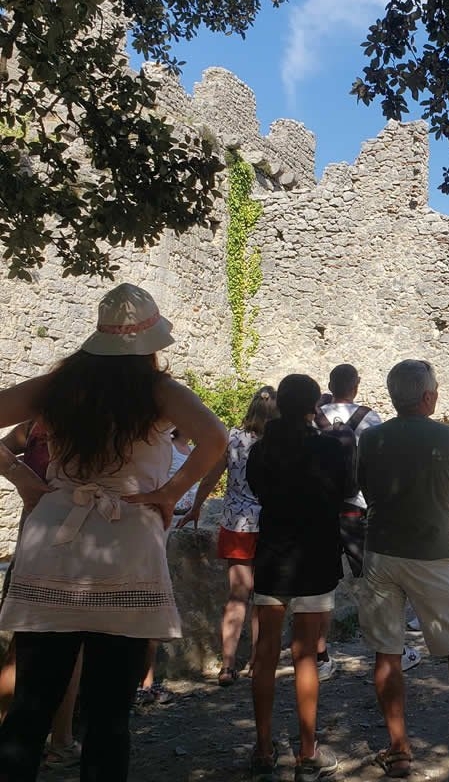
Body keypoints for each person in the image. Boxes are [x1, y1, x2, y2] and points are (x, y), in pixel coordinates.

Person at [0, 283, 226, 781]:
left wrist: (23, 478)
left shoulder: (56, 387)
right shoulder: (160, 392)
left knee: (30, 708)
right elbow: (215, 437)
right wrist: (169, 492)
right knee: (109, 717)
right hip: (126, 538)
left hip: (53, 536)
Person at [357, 360, 449, 778]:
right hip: (431, 553)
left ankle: (399, 749)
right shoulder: (448, 437)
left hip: (381, 553)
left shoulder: (370, 438)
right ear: (427, 397)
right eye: (436, 388)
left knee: (387, 650)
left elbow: (366, 490)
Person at [245, 374, 350, 782]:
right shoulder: (329, 447)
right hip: (316, 558)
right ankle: (307, 750)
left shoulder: (261, 450)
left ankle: (263, 747)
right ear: (312, 406)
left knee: (265, 653)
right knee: (306, 655)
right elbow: (347, 489)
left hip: (273, 557)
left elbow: (257, 491)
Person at [180, 386, 278, 686]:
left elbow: (211, 476)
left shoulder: (233, 438)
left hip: (237, 524)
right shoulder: (279, 441)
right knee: (263, 598)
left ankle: (227, 665)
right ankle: (258, 662)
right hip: (271, 525)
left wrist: (196, 507)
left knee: (237, 596)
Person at [0, 421, 83, 771]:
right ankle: (61, 742)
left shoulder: (36, 424)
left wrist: (21, 477)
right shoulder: (97, 420)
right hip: (76, 547)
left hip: (32, 545)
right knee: (71, 645)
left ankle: (8, 738)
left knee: (22, 644)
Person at [313, 363, 383, 682]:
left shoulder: (314, 418)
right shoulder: (369, 418)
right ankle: (387, 650)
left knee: (320, 584)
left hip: (322, 510)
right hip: (358, 508)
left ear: (330, 385)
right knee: (374, 580)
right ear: (356, 385)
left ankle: (320, 655)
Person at [135, 428, 199, 707]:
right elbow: (215, 438)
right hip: (149, 531)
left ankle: (145, 683)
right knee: (149, 604)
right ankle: (143, 684)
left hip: (150, 529)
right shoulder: (159, 446)